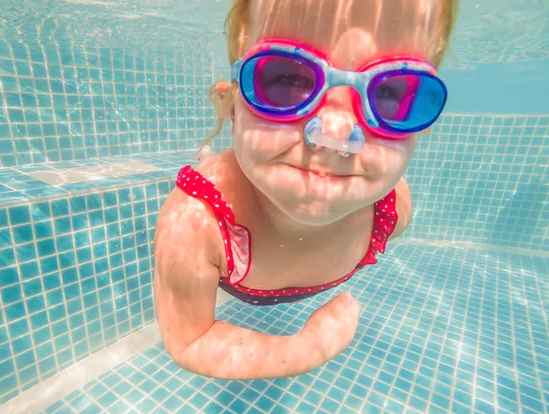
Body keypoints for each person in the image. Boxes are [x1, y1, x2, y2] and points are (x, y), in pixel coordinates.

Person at [155, 0, 458, 379]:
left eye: (390, 95)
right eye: (287, 79)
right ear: (234, 105)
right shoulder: (196, 225)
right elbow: (191, 339)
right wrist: (307, 348)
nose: (335, 134)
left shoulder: (393, 209)